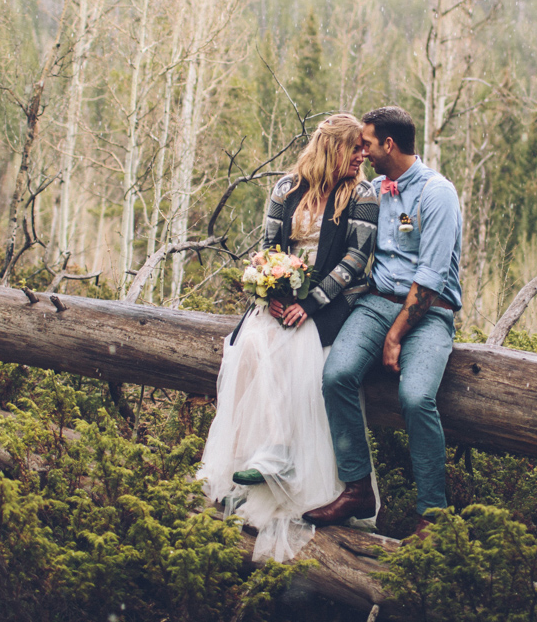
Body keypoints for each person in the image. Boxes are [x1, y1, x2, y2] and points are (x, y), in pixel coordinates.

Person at [197, 113, 379, 562]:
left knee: (295, 350)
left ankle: (281, 456)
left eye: (364, 148)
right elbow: (269, 247)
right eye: (354, 148)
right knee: (246, 347)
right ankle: (254, 454)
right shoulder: (285, 188)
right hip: (285, 294)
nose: (363, 156)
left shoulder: (363, 194)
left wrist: (310, 301)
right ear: (332, 148)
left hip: (332, 299)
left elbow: (357, 258)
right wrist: (274, 292)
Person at [304, 106, 462, 539]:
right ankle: (357, 488)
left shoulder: (437, 193)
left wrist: (395, 338)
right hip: (376, 303)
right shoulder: (376, 189)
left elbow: (431, 279)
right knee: (336, 375)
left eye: (368, 144)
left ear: (388, 144)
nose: (364, 152)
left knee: (415, 397)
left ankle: (432, 512)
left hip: (429, 314)